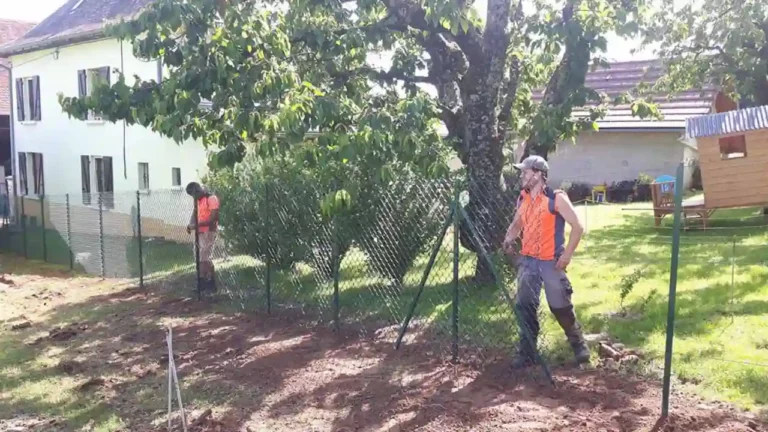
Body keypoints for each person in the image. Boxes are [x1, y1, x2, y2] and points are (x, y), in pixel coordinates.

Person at [502, 155, 590, 368]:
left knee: (560, 306)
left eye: (526, 171)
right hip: (529, 261)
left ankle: (579, 347)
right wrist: (508, 239)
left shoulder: (556, 198)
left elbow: (578, 227)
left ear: (539, 174)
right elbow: (517, 223)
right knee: (525, 306)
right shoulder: (523, 198)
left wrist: (567, 255)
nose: (522, 175)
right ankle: (527, 351)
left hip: (551, 261)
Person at [186, 182, 220, 293]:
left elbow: (213, 219)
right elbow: (194, 213)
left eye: (194, 194)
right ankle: (201, 282)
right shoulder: (198, 201)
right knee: (199, 258)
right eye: (192, 195)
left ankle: (211, 283)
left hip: (209, 231)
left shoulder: (211, 198)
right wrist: (190, 224)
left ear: (198, 190)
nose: (194, 197)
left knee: (206, 258)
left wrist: (196, 225)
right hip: (199, 232)